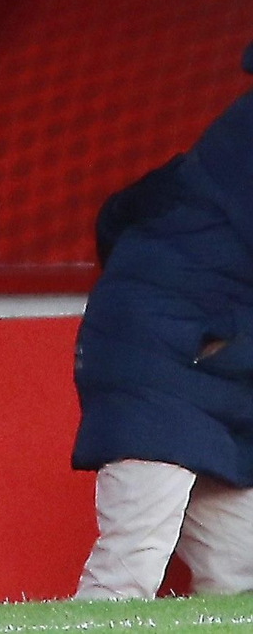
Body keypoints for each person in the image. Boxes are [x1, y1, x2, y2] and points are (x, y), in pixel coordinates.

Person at [71, 42, 253, 600]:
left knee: (237, 576)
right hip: (160, 363)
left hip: (212, 377)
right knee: (130, 567)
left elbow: (122, 213)